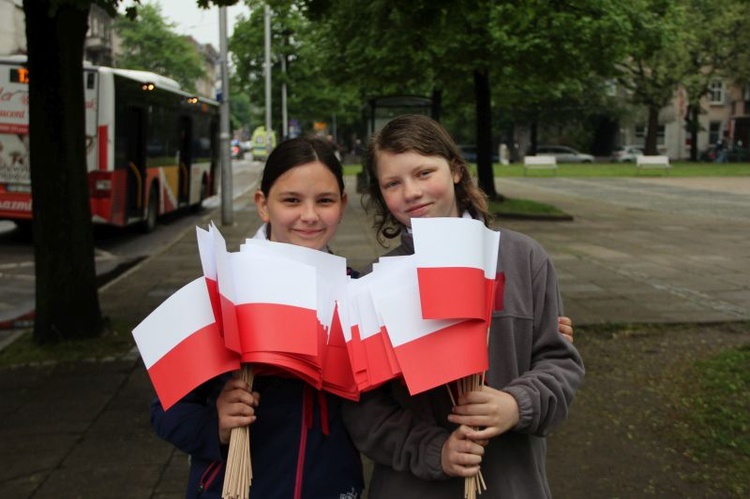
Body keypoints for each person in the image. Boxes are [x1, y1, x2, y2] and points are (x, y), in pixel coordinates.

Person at [341, 114, 585, 498]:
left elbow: (559, 363)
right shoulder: (371, 284)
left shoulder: (524, 259)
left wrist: (515, 404)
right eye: (393, 183)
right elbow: (363, 408)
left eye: (424, 173)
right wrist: (434, 450)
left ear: (455, 170)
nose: (411, 192)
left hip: (512, 483)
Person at [150, 136, 364, 498]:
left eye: (324, 200)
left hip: (332, 487)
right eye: (291, 200)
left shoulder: (359, 292)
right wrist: (213, 424)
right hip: (235, 487)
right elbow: (165, 406)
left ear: (342, 205)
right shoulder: (223, 287)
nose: (309, 215)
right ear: (263, 205)